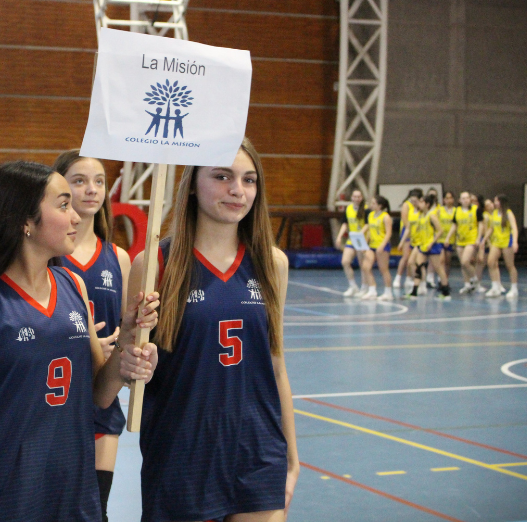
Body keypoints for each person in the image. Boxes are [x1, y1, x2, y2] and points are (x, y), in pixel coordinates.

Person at [0, 161, 158, 521]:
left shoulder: (73, 285)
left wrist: (127, 341)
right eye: (63, 204)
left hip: (72, 487)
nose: (76, 217)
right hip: (2, 492)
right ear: (24, 220)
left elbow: (99, 394)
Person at [137, 138, 298, 522]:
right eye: (222, 177)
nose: (237, 190)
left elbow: (277, 368)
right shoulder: (154, 264)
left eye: (249, 180)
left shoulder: (272, 263)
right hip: (181, 450)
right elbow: (133, 367)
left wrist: (292, 459)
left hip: (257, 450)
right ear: (192, 183)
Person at [53, 150, 131, 522]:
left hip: (101, 402)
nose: (92, 189)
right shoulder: (46, 254)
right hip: (53, 399)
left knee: (96, 511)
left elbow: (129, 329)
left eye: (99, 181)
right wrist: (82, 345)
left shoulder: (119, 258)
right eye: (80, 180)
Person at [405, 194, 450, 299]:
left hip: (432, 246)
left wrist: (431, 242)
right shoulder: (421, 215)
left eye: (422, 202)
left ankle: (446, 291)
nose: (419, 204)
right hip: (423, 245)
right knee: (418, 266)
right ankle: (414, 292)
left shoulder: (432, 216)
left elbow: (440, 230)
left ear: (427, 204)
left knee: (438, 268)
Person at [445, 191, 484, 294]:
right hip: (460, 240)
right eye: (463, 198)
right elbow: (454, 225)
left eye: (467, 198)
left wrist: (478, 238)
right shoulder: (457, 211)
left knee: (465, 261)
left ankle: (475, 281)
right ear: (460, 200)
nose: (466, 200)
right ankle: (467, 284)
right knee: (463, 265)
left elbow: (480, 224)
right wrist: (448, 237)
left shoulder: (475, 209)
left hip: (471, 239)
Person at [335, 189, 370, 297]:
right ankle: (353, 286)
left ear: (361, 198)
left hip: (361, 239)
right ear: (351, 198)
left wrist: (361, 233)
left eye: (358, 197)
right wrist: (339, 236)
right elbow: (345, 224)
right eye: (355, 196)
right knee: (345, 261)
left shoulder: (366, 209)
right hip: (351, 239)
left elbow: (368, 224)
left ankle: (364, 287)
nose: (356, 199)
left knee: (362, 264)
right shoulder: (349, 208)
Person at [484, 194, 519, 298]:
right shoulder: (494, 213)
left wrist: (515, 242)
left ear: (501, 202)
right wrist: (484, 239)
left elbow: (514, 228)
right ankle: (495, 287)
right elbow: (491, 228)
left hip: (507, 241)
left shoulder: (508, 213)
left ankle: (514, 288)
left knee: (510, 265)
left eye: (496, 201)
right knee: (490, 262)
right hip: (496, 242)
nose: (495, 203)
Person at [360, 195, 393, 301]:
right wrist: (365, 244)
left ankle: (388, 292)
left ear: (380, 206)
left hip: (382, 245)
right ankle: (372, 290)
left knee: (383, 269)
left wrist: (382, 245)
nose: (371, 205)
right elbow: (370, 231)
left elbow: (388, 233)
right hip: (372, 245)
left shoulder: (385, 217)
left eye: (374, 203)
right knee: (366, 266)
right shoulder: (370, 215)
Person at [393, 188, 423, 292]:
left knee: (413, 259)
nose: (413, 202)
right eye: (412, 200)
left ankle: (409, 278)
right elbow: (405, 220)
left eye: (415, 200)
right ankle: (398, 278)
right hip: (407, 231)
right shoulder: (407, 205)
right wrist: (408, 233)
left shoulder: (420, 207)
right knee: (406, 256)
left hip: (417, 234)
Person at [437, 191, 456, 281]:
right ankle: (441, 279)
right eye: (447, 198)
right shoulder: (439, 210)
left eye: (450, 198)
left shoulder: (456, 211)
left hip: (451, 239)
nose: (448, 200)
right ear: (444, 200)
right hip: (440, 239)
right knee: (441, 260)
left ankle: (446, 278)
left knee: (448, 261)